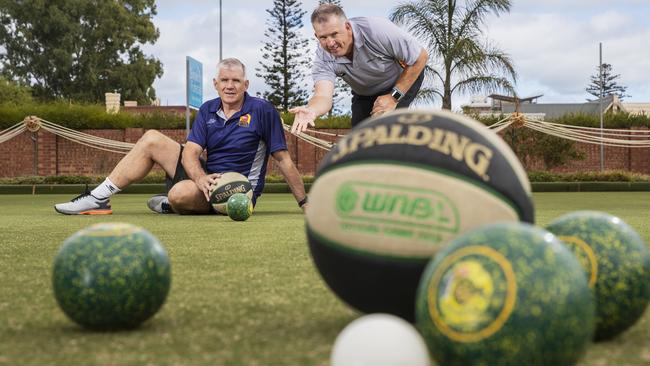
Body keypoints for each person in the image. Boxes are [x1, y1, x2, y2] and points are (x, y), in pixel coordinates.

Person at [55, 58, 308, 215]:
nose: (230, 86)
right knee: (152, 138)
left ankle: (172, 204)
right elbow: (190, 152)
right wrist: (200, 178)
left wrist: (304, 203)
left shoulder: (263, 111)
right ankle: (98, 198)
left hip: (238, 188)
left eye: (236, 81)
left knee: (179, 195)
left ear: (246, 84)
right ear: (215, 83)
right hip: (206, 176)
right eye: (224, 80)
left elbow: (283, 160)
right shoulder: (208, 108)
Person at [290, 3, 429, 134]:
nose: (330, 43)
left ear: (348, 27)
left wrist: (393, 97)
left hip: (401, 80)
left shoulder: (376, 30)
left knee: (385, 129)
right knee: (359, 137)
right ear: (316, 36)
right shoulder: (323, 58)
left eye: (334, 34)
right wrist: (312, 110)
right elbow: (322, 95)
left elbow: (420, 57)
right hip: (364, 93)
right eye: (323, 37)